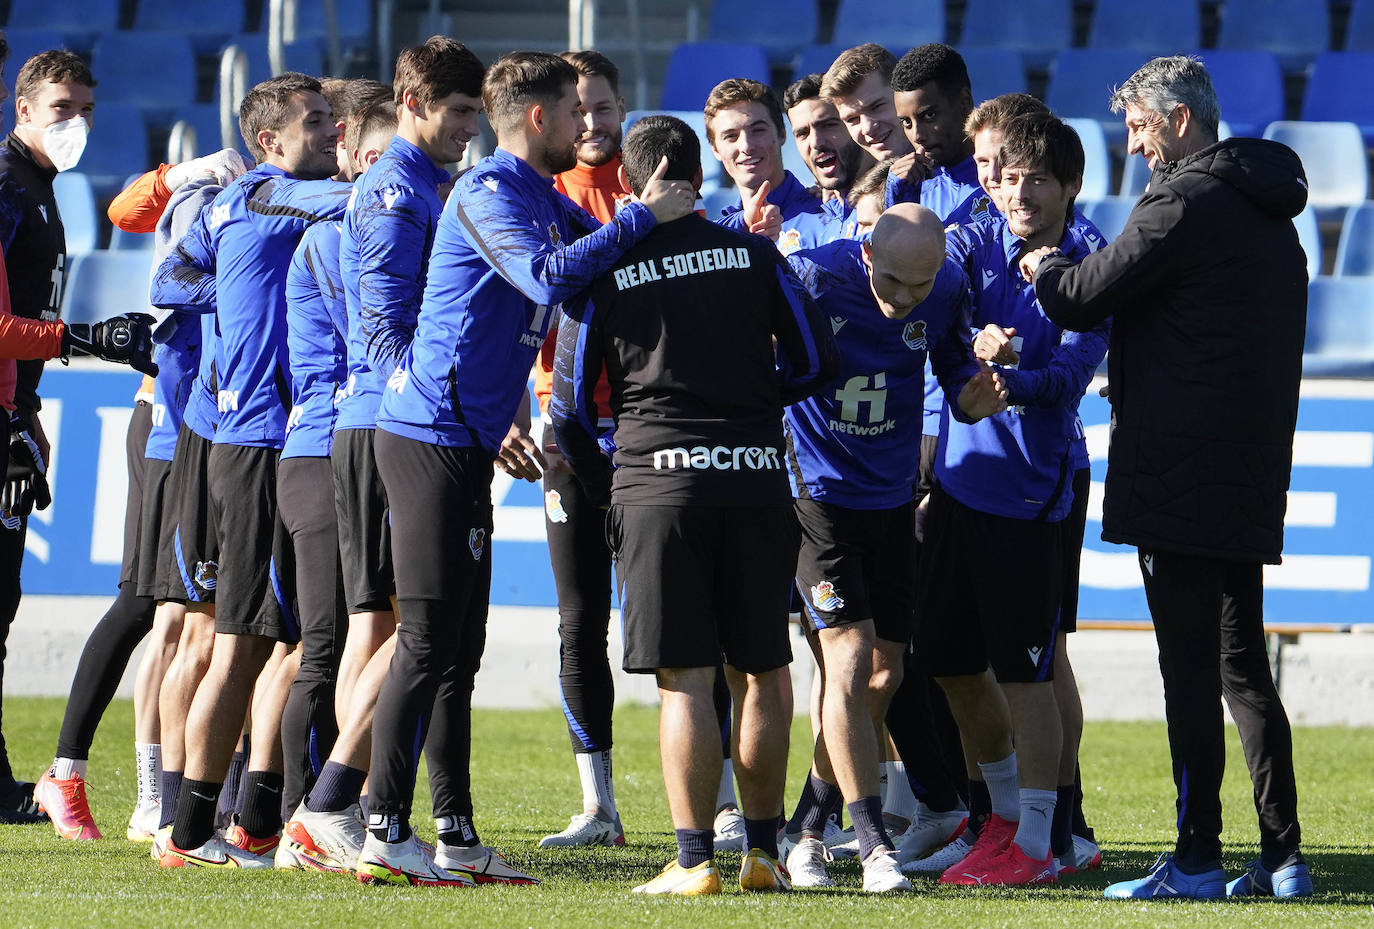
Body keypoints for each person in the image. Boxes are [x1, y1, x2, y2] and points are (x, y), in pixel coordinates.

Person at [358, 51, 694, 888]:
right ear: (539, 119)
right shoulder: (485, 193)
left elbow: (603, 259)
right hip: (427, 432)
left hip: (467, 438)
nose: (590, 127)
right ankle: (381, 827)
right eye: (574, 113)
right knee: (426, 640)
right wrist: (642, 220)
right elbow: (546, 274)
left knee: (457, 647)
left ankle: (455, 833)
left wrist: (694, 244)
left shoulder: (537, 194)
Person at [1024, 55, 1312, 901]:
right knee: (1244, 671)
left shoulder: (1182, 200)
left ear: (1179, 120)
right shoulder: (1272, 214)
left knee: (1188, 672)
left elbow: (1082, 295)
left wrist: (1039, 265)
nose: (1135, 142)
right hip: (1248, 472)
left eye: (1140, 126)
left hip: (1178, 476)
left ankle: (1193, 858)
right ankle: (1285, 857)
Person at [550, 113, 839, 896]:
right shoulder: (755, 254)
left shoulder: (607, 270)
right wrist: (751, 409)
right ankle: (768, 852)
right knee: (764, 669)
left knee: (684, 675)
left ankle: (692, 861)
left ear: (631, 181)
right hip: (753, 474)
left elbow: (572, 405)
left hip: (656, 480)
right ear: (701, 168)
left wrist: (626, 454)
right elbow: (817, 359)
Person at [150, 72, 351, 869]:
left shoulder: (237, 204)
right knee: (243, 642)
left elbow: (167, 279)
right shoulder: (276, 199)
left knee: (255, 641)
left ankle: (222, 824)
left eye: (335, 120)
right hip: (263, 440)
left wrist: (229, 303)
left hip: (238, 433)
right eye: (316, 123)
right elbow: (363, 206)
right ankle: (194, 833)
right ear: (269, 141)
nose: (332, 134)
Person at [776, 202, 1007, 893]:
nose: (907, 299)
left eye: (922, 283)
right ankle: (875, 842)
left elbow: (954, 385)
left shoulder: (942, 293)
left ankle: (805, 828)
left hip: (893, 499)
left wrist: (982, 394)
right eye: (896, 281)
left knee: (884, 675)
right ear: (867, 253)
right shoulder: (811, 279)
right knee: (845, 658)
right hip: (817, 495)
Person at [36, 145, 248, 842]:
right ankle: (133, 789)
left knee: (195, 613)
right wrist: (185, 172)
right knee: (157, 607)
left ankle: (181, 793)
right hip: (175, 425)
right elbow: (129, 214)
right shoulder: (221, 192)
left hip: (206, 426)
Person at [917, 114, 1106, 889]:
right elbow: (937, 308)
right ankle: (1000, 823)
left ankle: (1041, 841)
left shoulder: (1092, 260)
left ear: (1068, 186)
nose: (1017, 192)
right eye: (1005, 176)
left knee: (1029, 670)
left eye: (1035, 179)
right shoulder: (974, 236)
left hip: (1031, 494)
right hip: (961, 484)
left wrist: (1009, 376)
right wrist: (964, 362)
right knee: (953, 663)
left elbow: (1069, 377)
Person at [535, 48, 634, 850]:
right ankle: (598, 805)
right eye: (578, 111)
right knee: (579, 623)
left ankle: (728, 807)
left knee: (689, 622)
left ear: (621, 106)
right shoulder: (534, 196)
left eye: (602, 107)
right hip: (563, 441)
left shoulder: (655, 190)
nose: (591, 123)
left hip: (649, 437)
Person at [0, 47, 95, 820]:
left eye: (87, 109)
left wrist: (25, 412)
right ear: (23, 108)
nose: (78, 123)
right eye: (62, 108)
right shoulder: (6, 185)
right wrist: (84, 340)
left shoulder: (42, 186)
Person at [706, 79, 828, 255]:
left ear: (781, 133)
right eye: (731, 136)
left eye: (758, 130)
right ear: (715, 149)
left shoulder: (826, 213)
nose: (746, 146)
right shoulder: (714, 239)